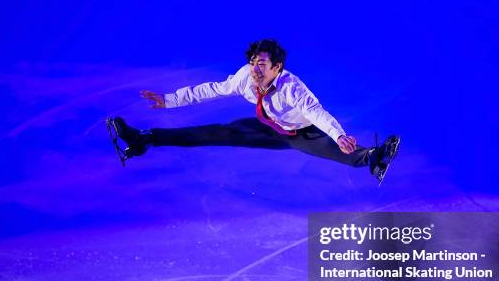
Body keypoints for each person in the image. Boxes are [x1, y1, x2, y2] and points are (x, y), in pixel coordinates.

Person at [107, 39, 400, 183]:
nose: (254, 69)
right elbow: (212, 89)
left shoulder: (292, 88)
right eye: (252, 62)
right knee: (216, 133)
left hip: (300, 133)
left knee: (336, 150)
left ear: (277, 67)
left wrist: (338, 135)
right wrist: (169, 100)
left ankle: (374, 157)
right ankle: (145, 139)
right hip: (267, 127)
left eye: (261, 64)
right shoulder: (245, 78)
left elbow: (316, 113)